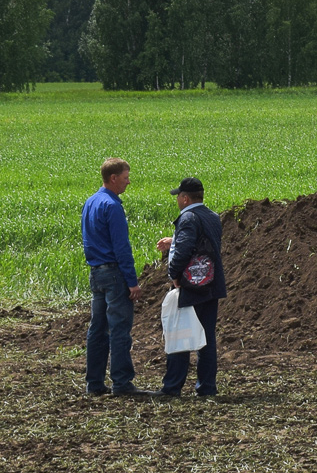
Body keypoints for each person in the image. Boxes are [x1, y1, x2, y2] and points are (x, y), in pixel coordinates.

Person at [82, 157, 152, 396]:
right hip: (114, 273)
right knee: (120, 329)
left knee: (97, 329)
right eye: (125, 178)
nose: (128, 182)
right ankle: (122, 383)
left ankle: (94, 383)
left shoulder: (90, 202)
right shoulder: (112, 206)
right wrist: (132, 282)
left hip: (96, 273)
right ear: (113, 178)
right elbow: (122, 247)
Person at [154, 177, 226, 397]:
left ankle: (172, 387)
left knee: (180, 334)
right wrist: (173, 240)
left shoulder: (188, 217)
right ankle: (207, 388)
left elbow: (184, 251)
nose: (177, 199)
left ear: (185, 198)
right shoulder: (212, 216)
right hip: (211, 284)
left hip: (193, 286)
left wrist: (174, 275)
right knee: (206, 339)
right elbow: (202, 243)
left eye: (178, 196)